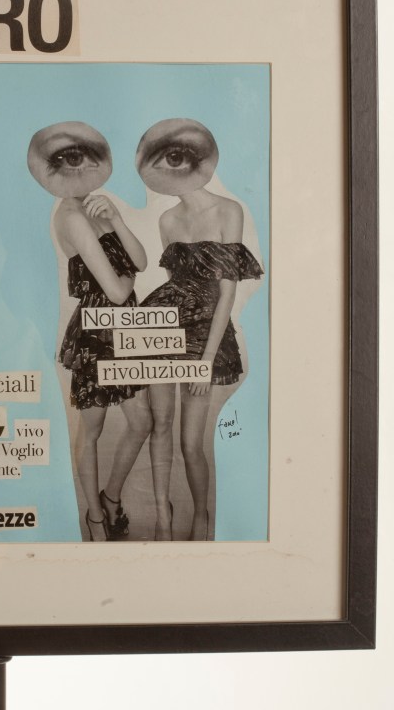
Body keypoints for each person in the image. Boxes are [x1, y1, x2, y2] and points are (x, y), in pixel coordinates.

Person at [136, 118, 263, 540]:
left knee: (191, 443)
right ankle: (163, 516)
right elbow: (174, 286)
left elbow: (226, 293)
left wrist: (206, 361)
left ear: (198, 161)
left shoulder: (229, 210)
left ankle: (202, 516)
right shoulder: (167, 221)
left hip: (205, 338)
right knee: (160, 425)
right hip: (163, 329)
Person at [27, 121, 153, 542]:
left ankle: (111, 497)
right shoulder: (70, 216)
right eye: (66, 160)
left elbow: (141, 260)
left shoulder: (97, 206)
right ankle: (95, 517)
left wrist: (116, 218)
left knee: (141, 422)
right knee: (92, 431)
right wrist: (129, 280)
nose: (78, 170)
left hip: (126, 329)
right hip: (100, 333)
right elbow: (118, 290)